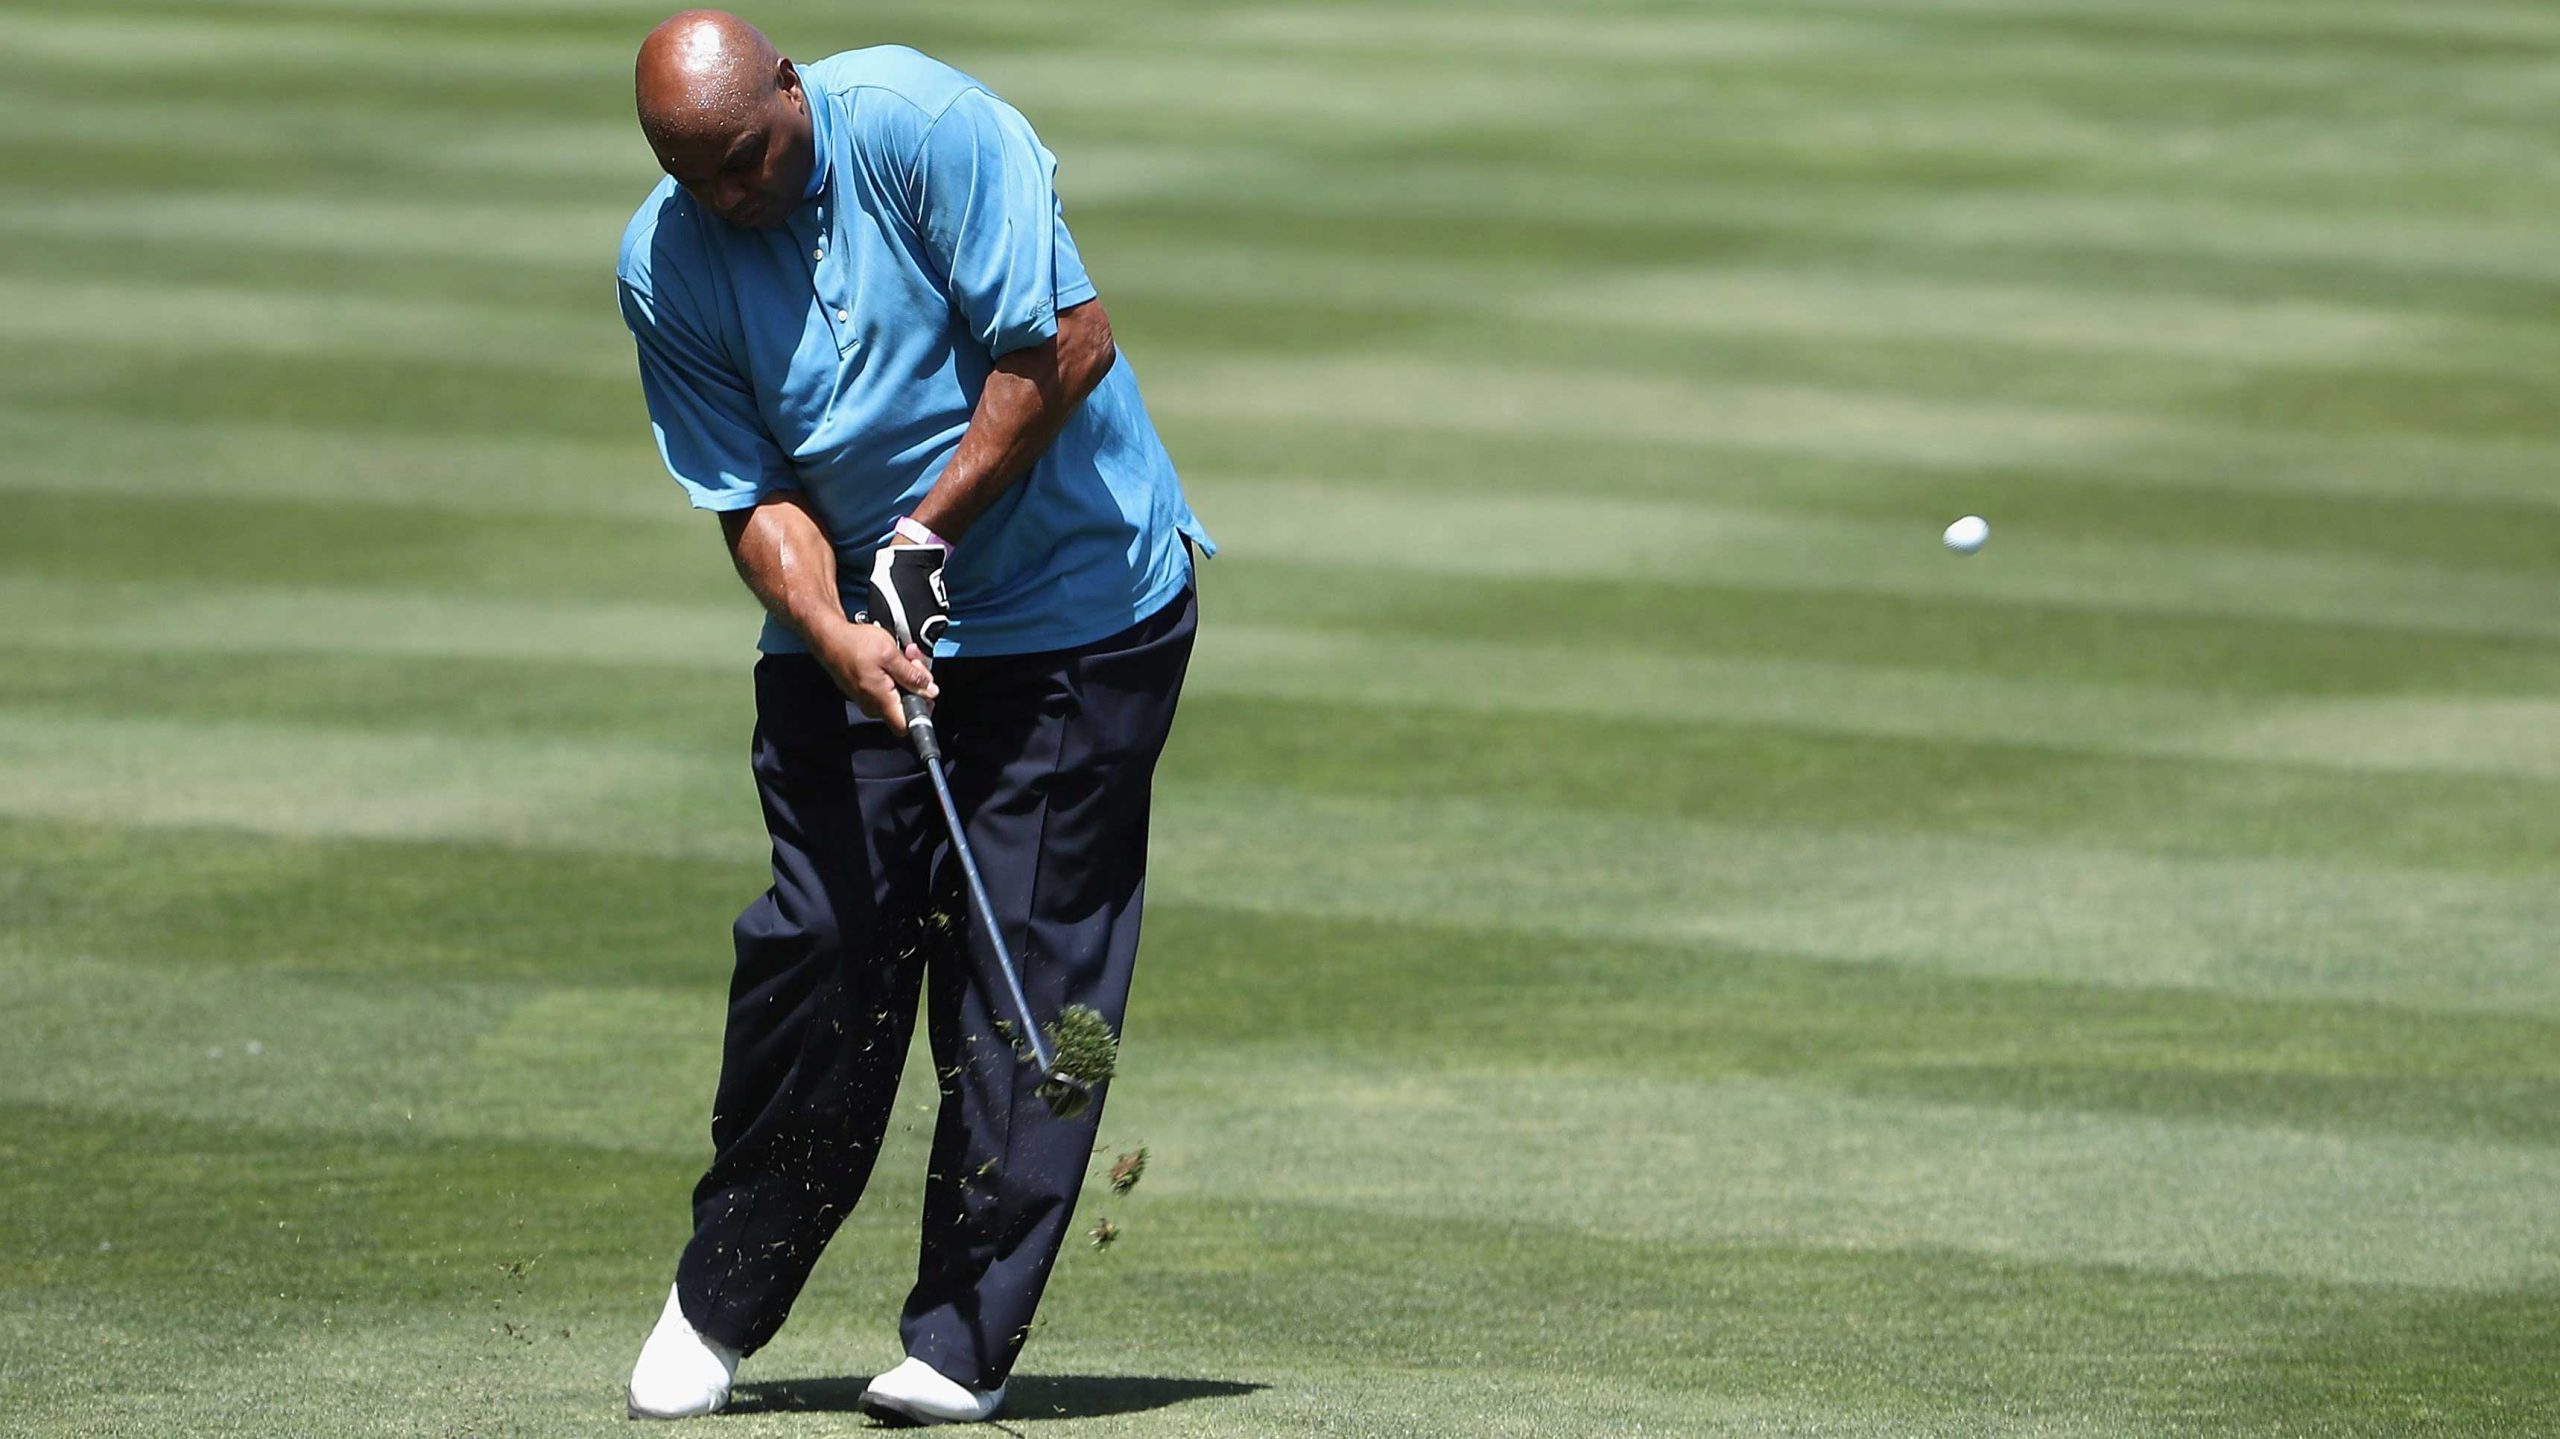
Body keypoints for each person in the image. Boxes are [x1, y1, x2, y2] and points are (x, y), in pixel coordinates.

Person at [611, 10, 1211, 1425]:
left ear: (791, 92)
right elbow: (751, 498)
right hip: (862, 629)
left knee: (1035, 977)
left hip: (1081, 608)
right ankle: (724, 1292)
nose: (729, 199)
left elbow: (1067, 341)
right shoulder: (666, 259)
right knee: (821, 943)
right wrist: (833, 624)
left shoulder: (928, 128)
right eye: (695, 177)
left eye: (748, 161)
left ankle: (962, 1337)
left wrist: (921, 536)